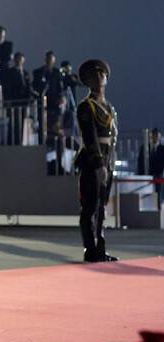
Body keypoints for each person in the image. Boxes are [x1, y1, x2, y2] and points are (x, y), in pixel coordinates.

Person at [73, 59, 118, 263]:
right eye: (94, 75)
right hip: (92, 163)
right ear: (88, 81)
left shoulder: (109, 108)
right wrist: (99, 164)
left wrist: (109, 165)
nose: (99, 78)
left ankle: (100, 248)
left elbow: (112, 140)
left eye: (102, 75)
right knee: (90, 206)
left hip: (107, 161)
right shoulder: (86, 106)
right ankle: (89, 249)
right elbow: (90, 137)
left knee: (102, 208)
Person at [32, 50, 64, 142]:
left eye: (51, 58)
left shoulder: (57, 72)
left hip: (54, 101)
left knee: (56, 122)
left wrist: (61, 97)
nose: (49, 60)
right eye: (47, 58)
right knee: (43, 122)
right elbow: (35, 86)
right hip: (43, 102)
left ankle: (55, 139)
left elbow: (60, 88)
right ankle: (42, 140)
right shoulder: (39, 72)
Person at [138, 128, 163, 207]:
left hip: (158, 176)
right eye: (153, 135)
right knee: (146, 195)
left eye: (156, 135)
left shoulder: (162, 149)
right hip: (147, 175)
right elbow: (140, 162)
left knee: (158, 194)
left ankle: (158, 209)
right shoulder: (145, 148)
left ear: (159, 136)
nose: (154, 137)